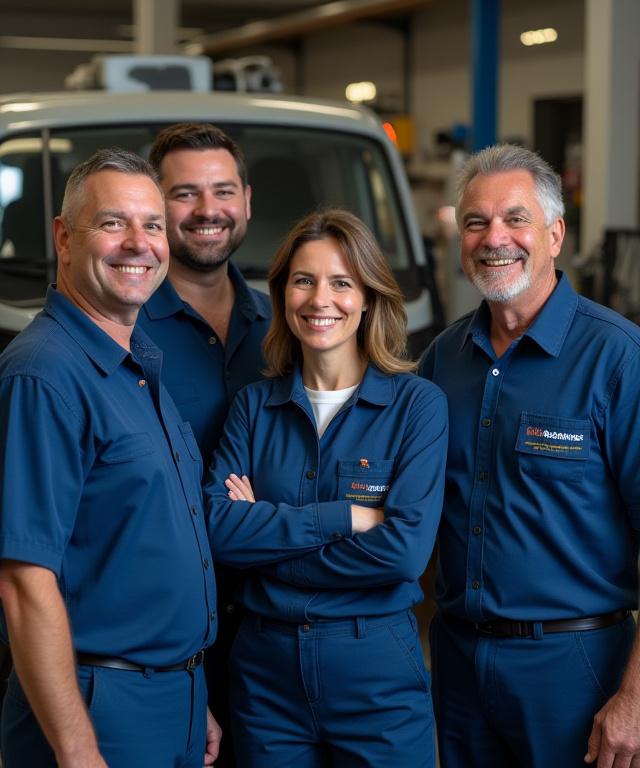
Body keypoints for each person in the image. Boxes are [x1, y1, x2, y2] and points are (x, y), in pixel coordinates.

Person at [0, 150, 360, 768]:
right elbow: (24, 580)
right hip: (97, 707)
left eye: (152, 226)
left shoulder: (138, 364)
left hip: (171, 694)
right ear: (63, 238)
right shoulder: (46, 375)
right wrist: (77, 746)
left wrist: (188, 693)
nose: (139, 244)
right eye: (113, 224)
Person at [419, 143, 640, 768]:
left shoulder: (618, 359)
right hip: (459, 665)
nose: (495, 238)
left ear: (555, 233)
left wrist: (637, 700)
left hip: (577, 670)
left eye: (515, 219)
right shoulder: (441, 361)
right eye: (475, 222)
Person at [206, 208, 448, 767]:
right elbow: (218, 532)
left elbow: (405, 553)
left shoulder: (417, 407)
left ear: (368, 297)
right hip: (266, 678)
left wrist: (264, 536)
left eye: (342, 282)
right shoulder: (252, 408)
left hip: (376, 675)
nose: (321, 299)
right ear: (282, 294)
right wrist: (348, 518)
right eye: (303, 280)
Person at [139, 122, 271, 765]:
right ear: (153, 206)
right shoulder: (123, 330)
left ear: (247, 200)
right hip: (159, 637)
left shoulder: (290, 327)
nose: (207, 210)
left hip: (271, 624)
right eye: (184, 194)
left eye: (222, 190)